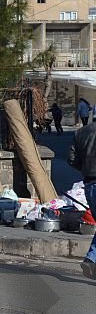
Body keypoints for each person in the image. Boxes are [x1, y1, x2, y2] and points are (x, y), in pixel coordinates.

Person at [68, 116, 96, 279]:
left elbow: (71, 159)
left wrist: (85, 169)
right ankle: (91, 258)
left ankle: (91, 259)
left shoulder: (81, 133)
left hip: (90, 184)